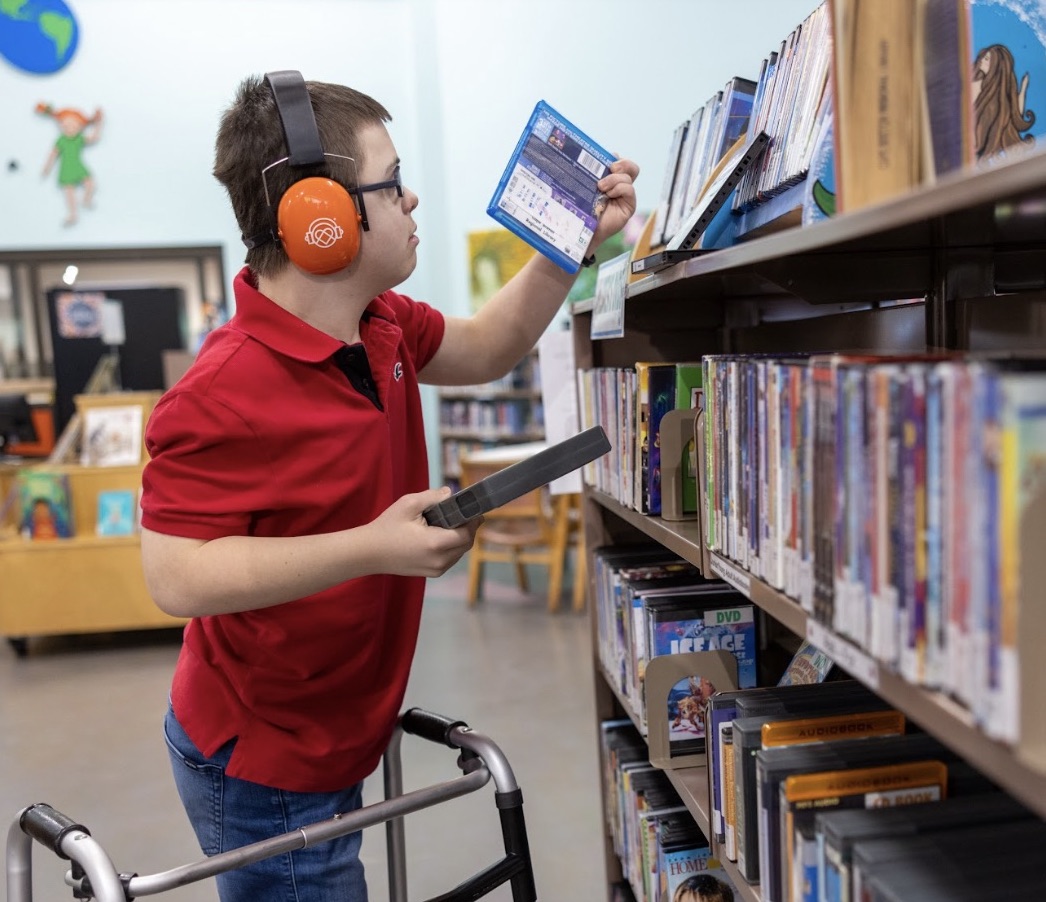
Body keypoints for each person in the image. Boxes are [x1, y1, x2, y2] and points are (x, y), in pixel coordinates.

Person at [138, 70, 638, 902]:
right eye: (392, 183)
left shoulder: (385, 323)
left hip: (336, 726)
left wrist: (570, 244)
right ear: (317, 216)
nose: (412, 204)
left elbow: (483, 348)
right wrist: (376, 547)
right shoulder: (220, 389)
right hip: (266, 759)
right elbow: (175, 576)